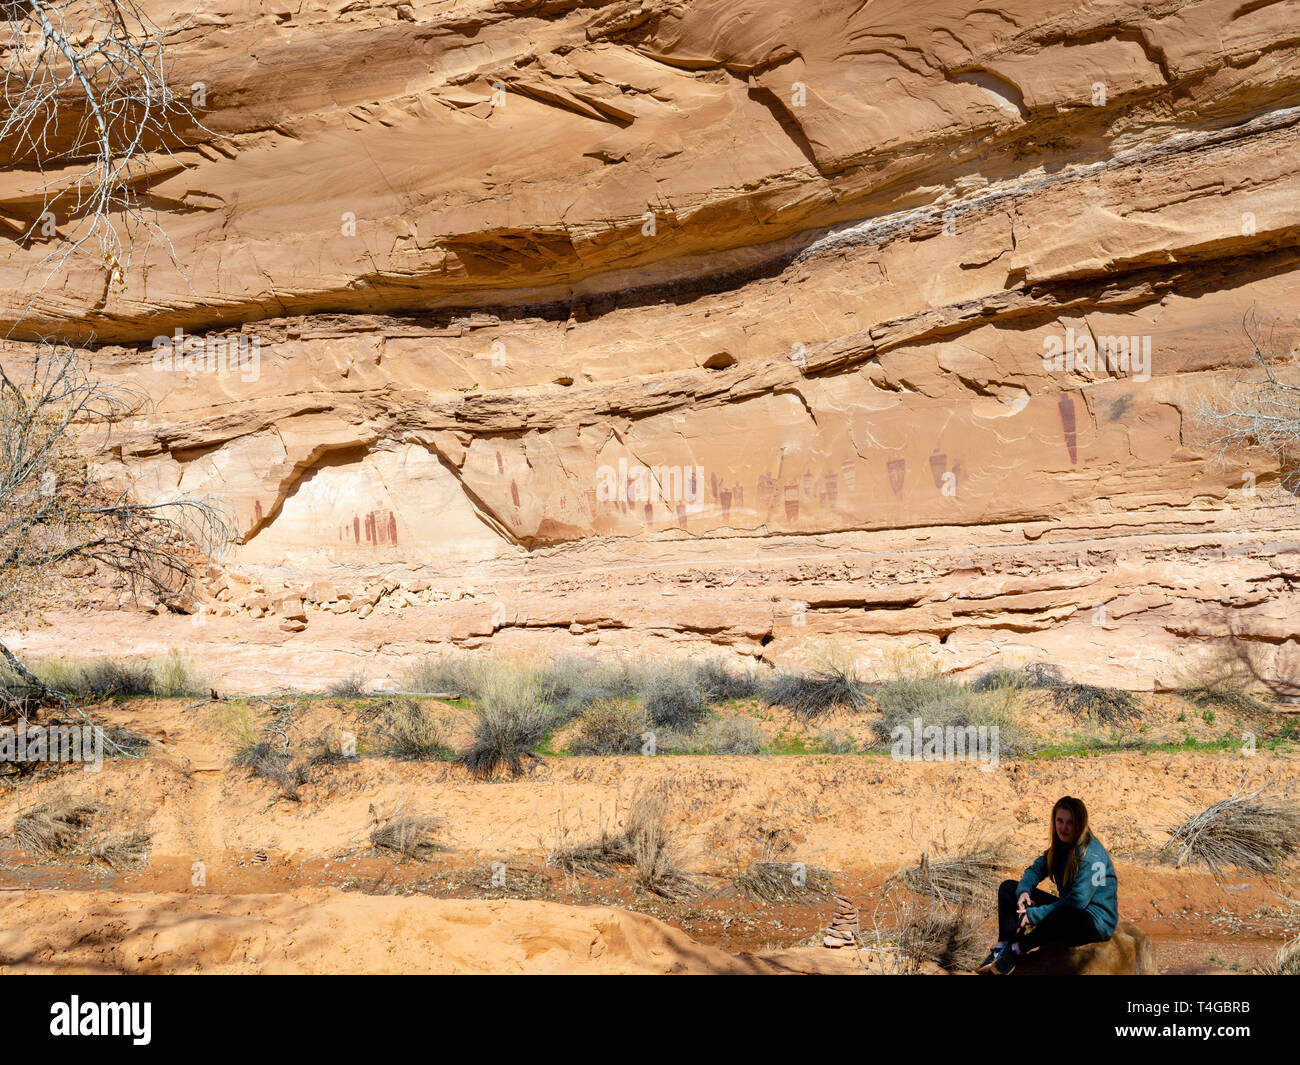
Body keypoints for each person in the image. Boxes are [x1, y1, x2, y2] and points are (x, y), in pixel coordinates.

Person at [977, 795, 1118, 974]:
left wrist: (1034, 915)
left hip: (1093, 921)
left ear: (1080, 824)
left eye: (1070, 823)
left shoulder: (1092, 856)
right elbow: (1035, 870)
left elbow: (1078, 902)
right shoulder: (1061, 847)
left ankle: (1017, 950)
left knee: (1062, 914)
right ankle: (1001, 947)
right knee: (1008, 888)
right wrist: (1024, 893)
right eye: (1060, 821)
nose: (1064, 828)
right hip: (1070, 908)